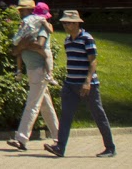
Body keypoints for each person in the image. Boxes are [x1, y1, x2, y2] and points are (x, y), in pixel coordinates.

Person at [46, 9, 115, 158]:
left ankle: (110, 147)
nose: (65, 25)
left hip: (88, 85)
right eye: (64, 23)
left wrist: (87, 82)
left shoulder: (87, 38)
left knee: (98, 115)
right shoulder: (67, 40)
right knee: (65, 116)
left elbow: (93, 61)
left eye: (68, 23)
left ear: (77, 23)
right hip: (70, 84)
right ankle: (60, 147)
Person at [9, 0, 59, 150]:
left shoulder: (41, 26)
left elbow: (40, 45)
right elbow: (15, 50)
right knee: (45, 105)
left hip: (39, 70)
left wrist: (24, 45)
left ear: (31, 11)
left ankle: (21, 139)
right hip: (32, 69)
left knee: (33, 104)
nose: (20, 13)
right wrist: (21, 47)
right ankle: (59, 137)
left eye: (22, 10)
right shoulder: (26, 26)